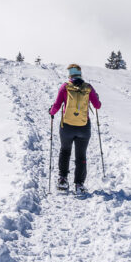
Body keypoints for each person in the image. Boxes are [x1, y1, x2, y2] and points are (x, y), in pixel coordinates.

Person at [48, 63, 101, 193]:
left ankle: (63, 180)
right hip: (83, 127)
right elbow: (97, 106)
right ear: (80, 74)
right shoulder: (88, 88)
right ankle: (79, 184)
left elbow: (56, 106)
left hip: (67, 127)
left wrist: (51, 112)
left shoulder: (65, 87)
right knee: (81, 156)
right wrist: (97, 98)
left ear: (70, 75)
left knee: (65, 151)